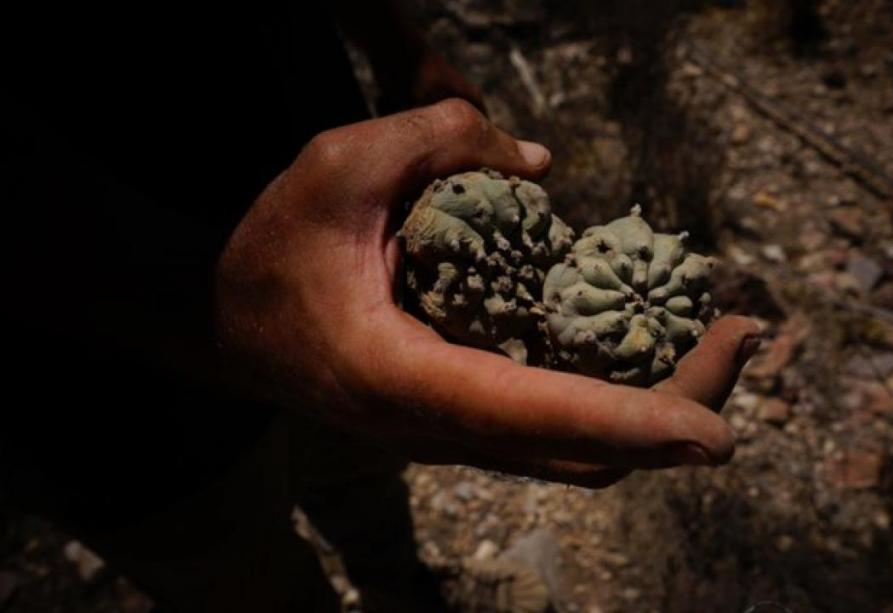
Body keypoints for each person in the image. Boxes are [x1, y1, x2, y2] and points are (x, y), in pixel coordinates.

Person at [1, 3, 759, 611]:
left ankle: (405, 587)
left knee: (361, 470)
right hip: (94, 389)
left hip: (353, 262)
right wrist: (212, 309)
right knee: (230, 569)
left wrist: (396, 44)